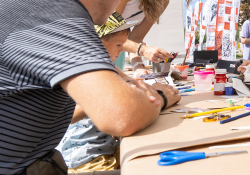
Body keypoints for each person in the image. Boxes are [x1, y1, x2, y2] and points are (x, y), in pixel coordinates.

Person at [0, 0, 180, 174]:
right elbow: (120, 116)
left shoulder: (22, 3)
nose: (122, 0)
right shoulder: (57, 15)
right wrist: (160, 96)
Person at [57, 12, 180, 173]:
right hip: (86, 159)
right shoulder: (82, 70)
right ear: (98, 43)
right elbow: (67, 115)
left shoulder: (107, 65)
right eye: (118, 45)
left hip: (105, 149)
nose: (121, 51)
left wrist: (148, 88)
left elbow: (130, 82)